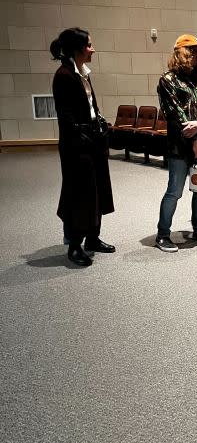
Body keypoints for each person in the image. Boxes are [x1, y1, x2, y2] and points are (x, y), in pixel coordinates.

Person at [51, 28, 115, 267]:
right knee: (81, 194)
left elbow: (91, 108)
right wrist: (85, 136)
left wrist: (100, 124)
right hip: (77, 146)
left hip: (93, 142)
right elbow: (66, 117)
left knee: (98, 189)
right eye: (89, 45)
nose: (92, 49)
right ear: (77, 48)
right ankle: (75, 245)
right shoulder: (64, 75)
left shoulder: (83, 74)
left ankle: (93, 238)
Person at [155, 34, 197, 252]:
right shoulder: (168, 80)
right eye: (193, 50)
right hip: (180, 146)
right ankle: (163, 234)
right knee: (175, 191)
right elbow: (175, 113)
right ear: (181, 52)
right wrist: (194, 142)